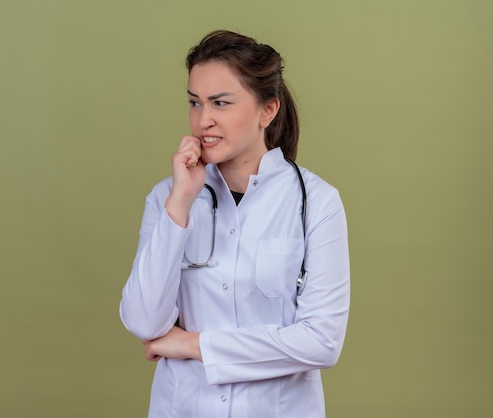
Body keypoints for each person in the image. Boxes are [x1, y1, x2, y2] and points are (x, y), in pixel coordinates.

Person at [120, 29, 350, 417]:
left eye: (220, 103)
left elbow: (321, 343)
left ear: (268, 110)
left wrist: (191, 344)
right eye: (195, 103)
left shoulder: (317, 203)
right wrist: (179, 205)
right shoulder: (168, 198)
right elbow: (144, 321)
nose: (203, 120)